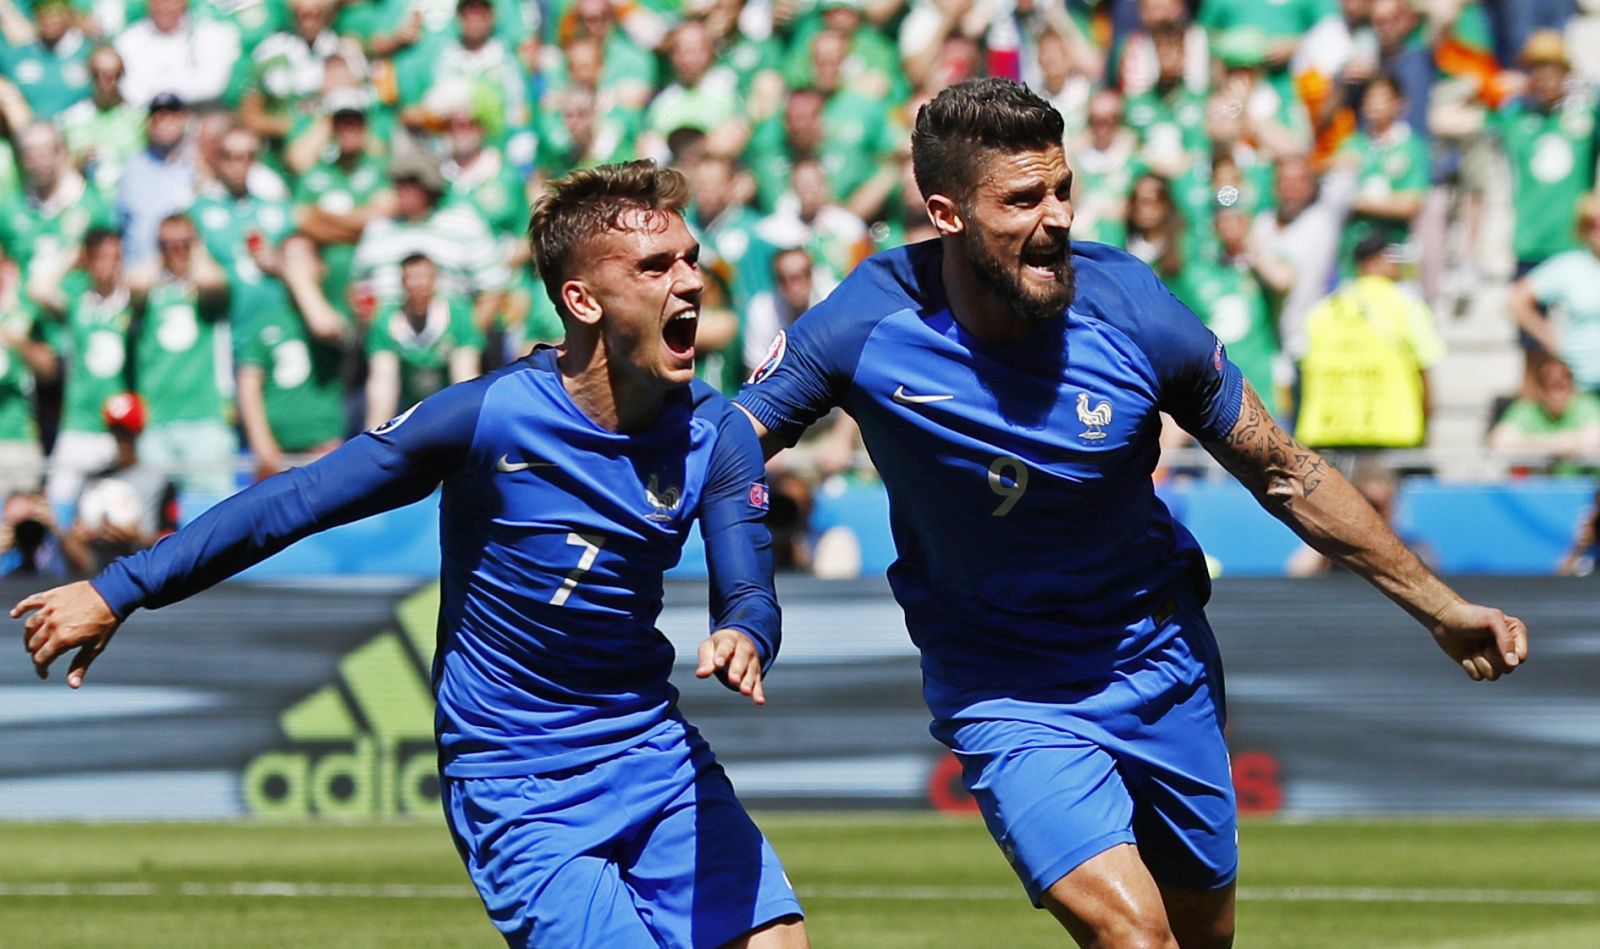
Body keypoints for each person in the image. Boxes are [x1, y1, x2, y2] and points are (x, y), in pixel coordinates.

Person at [735, 78, 1528, 949]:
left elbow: (1287, 472)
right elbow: (726, 443)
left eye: (1065, 188)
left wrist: (1442, 606)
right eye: (1024, 198)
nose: (1059, 216)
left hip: (1161, 661)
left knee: (1199, 939)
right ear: (947, 212)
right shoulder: (865, 321)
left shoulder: (1132, 308)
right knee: (1136, 938)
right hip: (1005, 685)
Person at [16, 160, 808, 949]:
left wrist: (744, 633)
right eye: (656, 264)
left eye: (692, 259)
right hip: (516, 776)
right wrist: (120, 587)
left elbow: (749, 591)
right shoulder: (489, 417)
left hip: (650, 749)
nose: (692, 282)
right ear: (582, 299)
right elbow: (296, 500)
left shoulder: (719, 432)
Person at [1297, 232, 1445, 450]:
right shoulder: (1406, 305)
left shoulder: (1322, 310)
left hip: (1329, 433)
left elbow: (1300, 369)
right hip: (1392, 433)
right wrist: (1425, 423)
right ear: (1375, 261)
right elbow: (1424, 370)